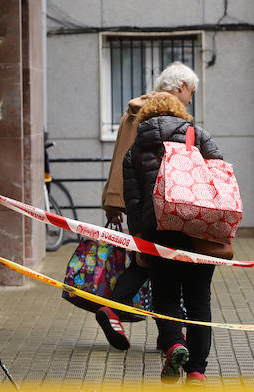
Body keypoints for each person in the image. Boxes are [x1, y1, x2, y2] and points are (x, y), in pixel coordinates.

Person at [95, 62, 199, 351]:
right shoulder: (161, 113)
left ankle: (166, 334)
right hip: (160, 203)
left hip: (137, 200)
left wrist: (113, 197)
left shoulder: (136, 108)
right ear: (180, 87)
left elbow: (121, 157)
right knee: (155, 263)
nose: (190, 99)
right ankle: (123, 312)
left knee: (152, 262)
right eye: (191, 91)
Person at [123, 92, 221, 387]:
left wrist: (139, 241)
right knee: (198, 301)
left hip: (158, 231)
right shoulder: (199, 136)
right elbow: (222, 179)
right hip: (199, 229)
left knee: (165, 295)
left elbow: (134, 201)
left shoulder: (136, 148)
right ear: (180, 112)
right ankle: (196, 371)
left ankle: (174, 343)